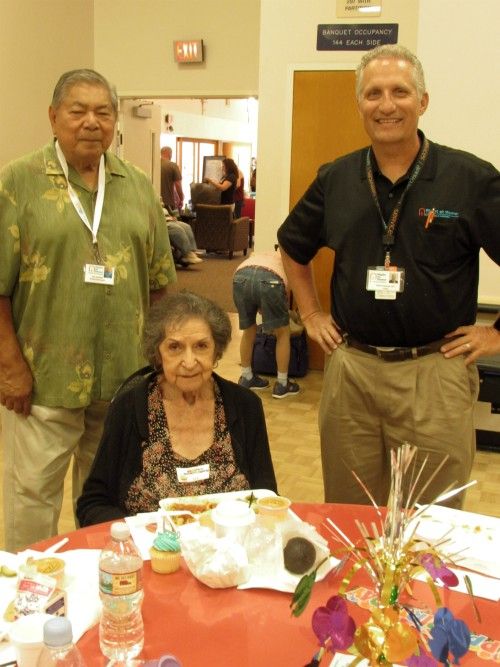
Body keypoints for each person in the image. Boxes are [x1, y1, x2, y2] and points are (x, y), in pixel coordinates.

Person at [277, 45, 500, 509]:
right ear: (360, 105)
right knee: (350, 512)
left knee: (431, 522)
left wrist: (495, 335)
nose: (386, 104)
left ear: (423, 101)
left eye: (400, 91)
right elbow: (292, 247)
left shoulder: (470, 179)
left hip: (435, 372)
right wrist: (312, 312)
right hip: (351, 371)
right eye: (373, 94)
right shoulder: (336, 179)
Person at [0, 68, 176, 552]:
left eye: (103, 111)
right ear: (54, 117)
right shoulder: (18, 182)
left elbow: (161, 282)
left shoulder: (137, 186)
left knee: (106, 500)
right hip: (42, 379)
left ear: (115, 121)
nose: (90, 122)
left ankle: (101, 592)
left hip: (124, 378)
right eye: (78, 110)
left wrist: (159, 361)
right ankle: (32, 600)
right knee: (32, 497)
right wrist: (9, 364)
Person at [76, 291, 277, 526]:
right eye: (175, 347)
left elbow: (266, 497)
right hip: (152, 554)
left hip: (229, 553)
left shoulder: (245, 406)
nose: (189, 362)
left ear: (216, 351)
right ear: (158, 354)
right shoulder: (129, 407)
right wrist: (136, 534)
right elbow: (92, 503)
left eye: (201, 346)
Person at [233, 248, 300, 399]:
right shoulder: (290, 259)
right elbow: (287, 289)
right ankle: (282, 384)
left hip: (240, 276)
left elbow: (254, 279)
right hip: (271, 279)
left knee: (249, 330)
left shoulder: (260, 253)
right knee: (283, 332)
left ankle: (247, 377)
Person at [161, 146, 184, 212]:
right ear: (169, 153)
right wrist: (181, 198)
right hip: (168, 203)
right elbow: (178, 185)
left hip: (156, 202)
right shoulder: (172, 165)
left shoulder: (155, 164)